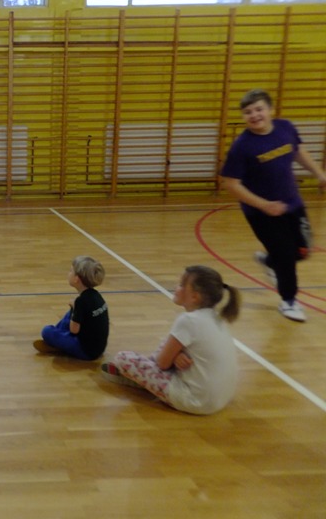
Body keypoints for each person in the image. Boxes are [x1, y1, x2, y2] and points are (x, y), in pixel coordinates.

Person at [220, 88, 326, 322]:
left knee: (302, 251)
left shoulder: (285, 128)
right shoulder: (242, 146)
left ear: (270, 110)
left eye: (259, 109)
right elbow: (231, 184)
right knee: (286, 256)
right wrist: (264, 205)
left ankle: (269, 261)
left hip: (293, 203)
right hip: (261, 213)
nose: (254, 115)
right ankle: (289, 301)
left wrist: (319, 174)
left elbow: (298, 151)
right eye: (248, 112)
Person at [101, 265, 240, 415]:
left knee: (123, 358)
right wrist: (176, 357)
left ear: (195, 297)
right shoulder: (217, 317)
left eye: (181, 285)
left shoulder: (188, 320)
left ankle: (140, 383)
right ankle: (149, 378)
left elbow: (162, 363)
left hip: (194, 400)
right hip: (221, 398)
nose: (176, 287)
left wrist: (172, 358)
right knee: (170, 342)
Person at [33, 255, 109, 360]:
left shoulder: (81, 301)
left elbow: (74, 330)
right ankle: (60, 338)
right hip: (99, 348)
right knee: (72, 312)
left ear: (77, 279)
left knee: (46, 331)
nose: (68, 273)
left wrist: (74, 309)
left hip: (86, 351)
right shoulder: (96, 295)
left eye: (71, 271)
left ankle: (57, 342)